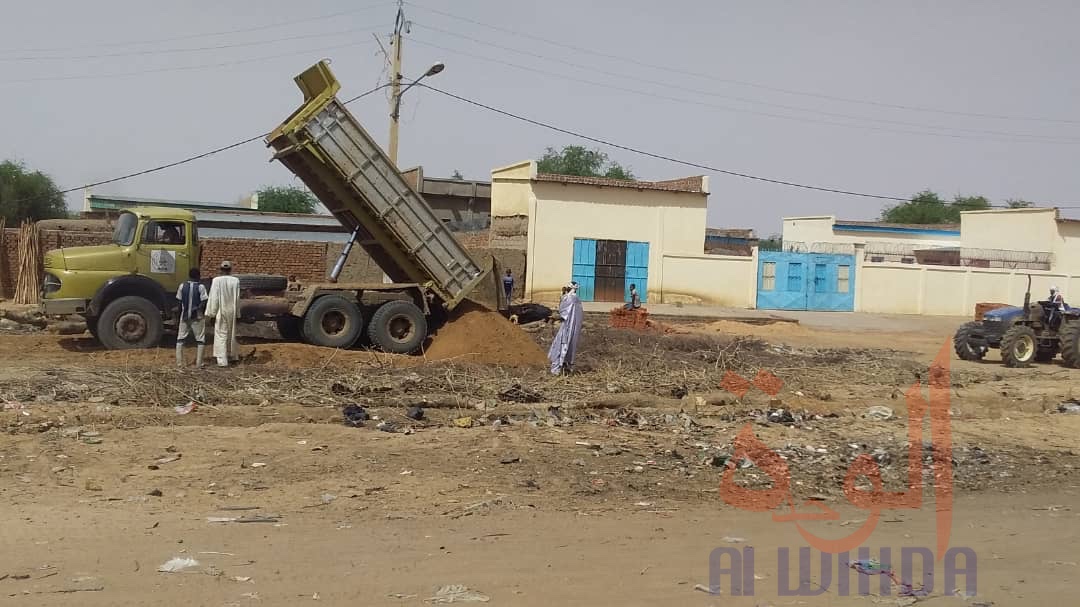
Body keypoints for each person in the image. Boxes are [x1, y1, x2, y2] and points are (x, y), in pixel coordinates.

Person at [206, 260, 241, 367]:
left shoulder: (216, 280)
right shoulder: (235, 281)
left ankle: (222, 361)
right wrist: (238, 313)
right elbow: (237, 298)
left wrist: (211, 313)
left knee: (221, 335)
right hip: (232, 310)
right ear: (230, 269)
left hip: (221, 310)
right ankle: (232, 355)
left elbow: (214, 298)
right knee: (231, 334)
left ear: (221, 269)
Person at [548, 281, 584, 375]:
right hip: (574, 328)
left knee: (561, 345)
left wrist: (555, 317)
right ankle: (567, 367)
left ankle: (556, 369)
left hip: (567, 326)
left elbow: (563, 312)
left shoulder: (568, 298)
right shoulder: (578, 300)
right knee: (570, 346)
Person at [175, 268, 208, 367]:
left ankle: (180, 363)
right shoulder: (201, 287)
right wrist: (199, 310)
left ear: (189, 275)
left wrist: (179, 317)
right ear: (198, 276)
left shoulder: (182, 286)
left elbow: (179, 303)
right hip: (197, 316)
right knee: (200, 339)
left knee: (180, 339)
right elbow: (204, 301)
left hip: (184, 316)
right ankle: (199, 363)